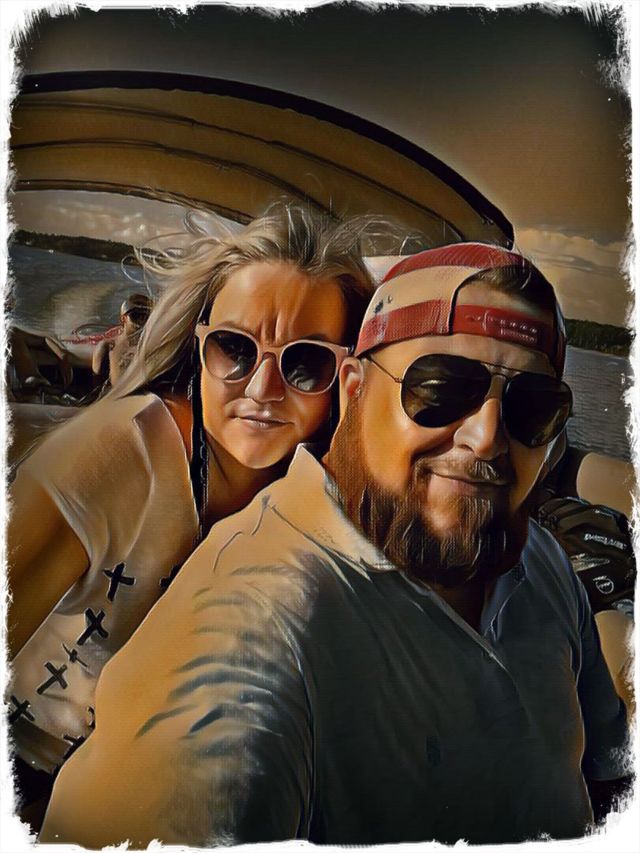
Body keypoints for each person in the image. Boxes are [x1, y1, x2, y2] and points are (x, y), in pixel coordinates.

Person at [40, 243, 630, 848]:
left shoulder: (540, 560)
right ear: (352, 392)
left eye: (532, 407)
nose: (486, 437)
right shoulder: (247, 633)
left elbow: (611, 777)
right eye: (440, 390)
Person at [7, 203, 379, 823]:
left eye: (305, 362)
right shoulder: (117, 455)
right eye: (234, 349)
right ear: (199, 345)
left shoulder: (322, 503)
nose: (262, 389)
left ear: (348, 379)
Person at [91, 293, 153, 387]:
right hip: (118, 395)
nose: (141, 320)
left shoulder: (153, 346)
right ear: (124, 318)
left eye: (145, 316)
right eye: (135, 315)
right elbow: (97, 386)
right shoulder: (108, 347)